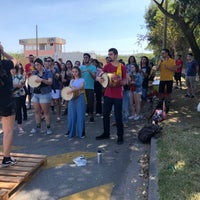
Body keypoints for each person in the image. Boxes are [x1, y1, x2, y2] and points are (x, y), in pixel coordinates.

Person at [96, 48, 127, 144]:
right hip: (108, 95)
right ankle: (106, 133)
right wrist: (99, 79)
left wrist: (119, 82)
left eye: (111, 54)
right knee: (105, 115)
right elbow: (99, 75)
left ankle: (120, 136)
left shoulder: (122, 67)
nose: (109, 56)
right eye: (108, 54)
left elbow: (126, 80)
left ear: (116, 55)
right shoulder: (106, 66)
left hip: (118, 96)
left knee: (118, 116)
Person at [0, 43, 17, 167]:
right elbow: (14, 60)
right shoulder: (5, 64)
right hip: (6, 101)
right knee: (8, 131)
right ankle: (6, 158)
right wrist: (3, 52)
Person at [30, 58, 53, 135]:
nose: (37, 66)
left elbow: (50, 82)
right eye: (35, 65)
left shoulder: (48, 72)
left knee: (46, 112)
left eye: (38, 64)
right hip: (35, 94)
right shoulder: (34, 73)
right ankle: (38, 127)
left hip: (45, 94)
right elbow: (31, 82)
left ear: (41, 64)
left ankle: (48, 128)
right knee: (37, 112)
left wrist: (42, 80)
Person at [67, 66, 86, 138]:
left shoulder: (82, 80)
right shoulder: (71, 81)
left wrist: (72, 90)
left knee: (80, 115)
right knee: (71, 115)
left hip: (80, 98)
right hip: (72, 99)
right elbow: (68, 88)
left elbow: (81, 87)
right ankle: (70, 131)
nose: (74, 73)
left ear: (79, 72)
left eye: (76, 71)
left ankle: (81, 132)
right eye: (73, 72)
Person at [80, 53, 96, 122]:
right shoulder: (81, 67)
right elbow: (78, 77)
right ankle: (82, 115)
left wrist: (90, 72)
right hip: (82, 87)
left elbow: (94, 77)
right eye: (84, 57)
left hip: (90, 87)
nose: (85, 59)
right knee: (82, 102)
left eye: (86, 57)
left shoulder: (93, 67)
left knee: (90, 102)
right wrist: (79, 73)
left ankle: (91, 115)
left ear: (89, 59)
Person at [11, 65, 26, 134]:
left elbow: (21, 85)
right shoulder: (7, 77)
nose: (12, 70)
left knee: (18, 111)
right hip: (10, 96)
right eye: (11, 69)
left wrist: (11, 85)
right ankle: (8, 128)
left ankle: (20, 127)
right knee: (10, 113)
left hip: (19, 95)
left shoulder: (20, 76)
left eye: (14, 69)